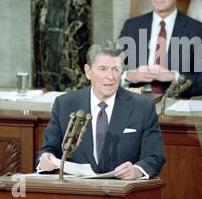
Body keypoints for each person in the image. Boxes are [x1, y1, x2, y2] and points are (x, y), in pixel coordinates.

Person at [37, 42, 166, 179]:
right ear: (88, 71)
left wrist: (137, 170)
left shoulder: (142, 107)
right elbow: (48, 150)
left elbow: (155, 156)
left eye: (116, 69)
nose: (110, 77)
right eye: (103, 69)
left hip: (122, 191)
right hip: (77, 191)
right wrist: (45, 159)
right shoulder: (64, 104)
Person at [118, 0, 202, 98]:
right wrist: (128, 76)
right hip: (135, 103)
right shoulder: (131, 27)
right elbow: (111, 73)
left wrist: (173, 76)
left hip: (176, 106)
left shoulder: (196, 30)